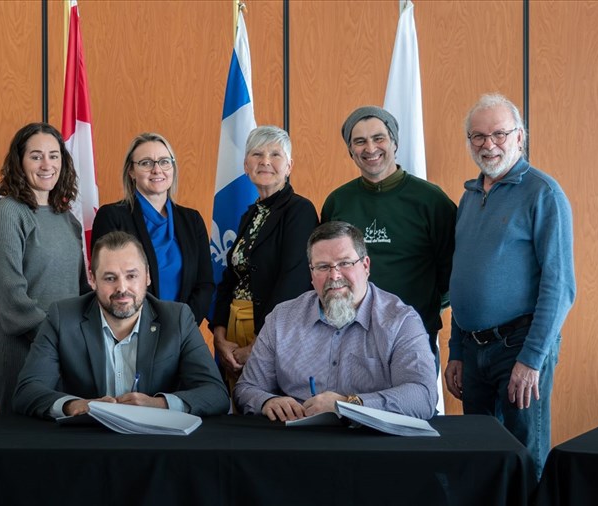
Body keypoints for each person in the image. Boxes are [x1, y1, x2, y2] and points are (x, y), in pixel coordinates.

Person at [445, 93, 575, 476]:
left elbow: (560, 286)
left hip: (519, 348)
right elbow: (462, 278)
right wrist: (455, 349)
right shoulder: (469, 197)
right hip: (472, 348)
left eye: (499, 134)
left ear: (520, 136)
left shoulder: (543, 194)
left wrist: (531, 360)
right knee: (480, 459)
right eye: (478, 136)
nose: (489, 144)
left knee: (525, 457)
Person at [13, 231, 229, 419]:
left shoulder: (177, 318)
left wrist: (159, 405)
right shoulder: (63, 317)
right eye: (109, 278)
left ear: (147, 276)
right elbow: (27, 391)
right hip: (87, 443)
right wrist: (75, 405)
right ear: (92, 279)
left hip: (157, 445)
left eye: (131, 275)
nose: (122, 288)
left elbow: (215, 394)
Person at [235, 221, 437, 421]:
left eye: (345, 263)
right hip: (297, 441)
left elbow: (423, 397)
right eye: (323, 267)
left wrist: (349, 404)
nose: (334, 275)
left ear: (366, 266)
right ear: (311, 274)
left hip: (372, 441)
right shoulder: (281, 318)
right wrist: (267, 401)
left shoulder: (401, 321)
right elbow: (247, 388)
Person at [321, 106, 456, 361]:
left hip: (413, 337)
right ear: (351, 151)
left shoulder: (431, 201)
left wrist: (420, 309)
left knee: (411, 401)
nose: (370, 148)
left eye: (378, 138)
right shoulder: (338, 202)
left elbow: (452, 276)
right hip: (350, 339)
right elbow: (326, 269)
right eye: (359, 141)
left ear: (394, 143)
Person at [0, 122, 88, 413]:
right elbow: (11, 297)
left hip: (65, 345)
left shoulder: (67, 218)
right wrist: (59, 340)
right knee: (23, 435)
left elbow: (79, 289)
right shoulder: (7, 213)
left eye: (54, 156)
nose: (47, 164)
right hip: (21, 345)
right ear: (19, 161)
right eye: (36, 156)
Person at [211, 126, 318, 394]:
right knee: (240, 408)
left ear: (289, 165)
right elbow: (230, 277)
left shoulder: (300, 210)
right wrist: (220, 335)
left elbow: (293, 280)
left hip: (272, 332)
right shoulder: (250, 215)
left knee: (270, 407)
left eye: (275, 154)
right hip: (236, 326)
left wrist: (260, 344)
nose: (265, 161)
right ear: (246, 166)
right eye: (257, 154)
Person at [91, 133, 213, 324]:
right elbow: (108, 281)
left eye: (164, 162)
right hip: (130, 330)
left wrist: (183, 325)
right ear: (131, 171)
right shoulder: (112, 217)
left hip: (182, 331)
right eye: (146, 163)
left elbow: (204, 284)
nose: (157, 170)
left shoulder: (192, 220)